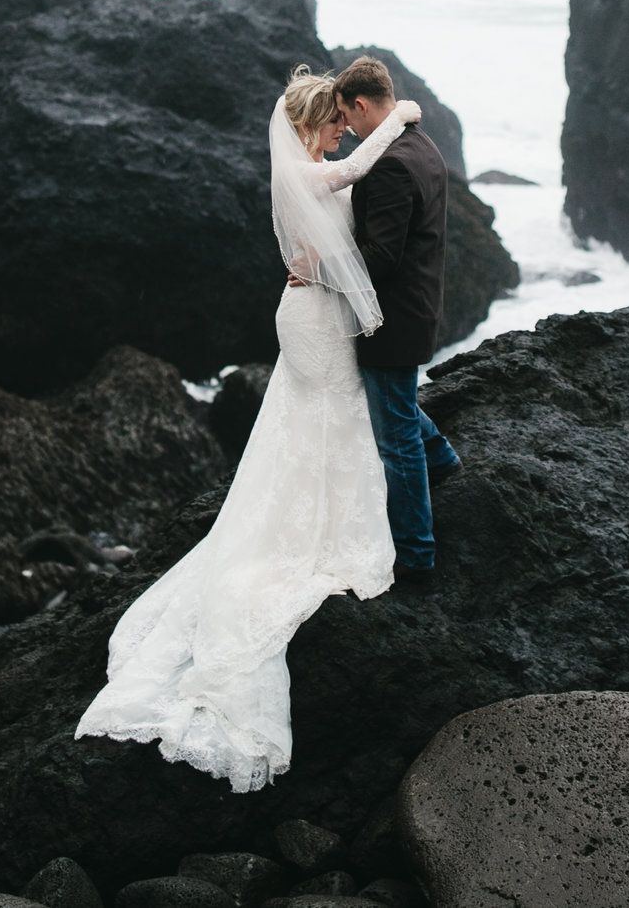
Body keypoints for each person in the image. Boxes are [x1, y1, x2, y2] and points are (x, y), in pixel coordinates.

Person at [73, 67, 422, 792]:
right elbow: (358, 168)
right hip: (311, 317)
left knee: (315, 421)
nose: (338, 134)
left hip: (309, 310)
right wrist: (402, 116)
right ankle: (320, 532)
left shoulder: (305, 165)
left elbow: (343, 195)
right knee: (330, 415)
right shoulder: (304, 168)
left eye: (339, 125)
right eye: (331, 123)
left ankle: (315, 517)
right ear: (309, 123)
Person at [332, 55, 461, 581]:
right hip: (419, 307)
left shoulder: (386, 163)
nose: (346, 128)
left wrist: (323, 263)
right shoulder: (423, 146)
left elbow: (380, 256)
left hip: (392, 319)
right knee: (399, 407)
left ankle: (416, 554)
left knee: (395, 438)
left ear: (361, 105)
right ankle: (445, 459)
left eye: (346, 115)